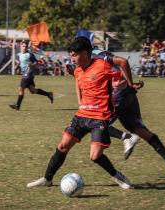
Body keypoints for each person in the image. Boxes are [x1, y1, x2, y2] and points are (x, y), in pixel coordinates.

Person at [27, 37, 132, 189]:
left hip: (99, 117)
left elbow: (118, 79)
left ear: (85, 53)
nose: (72, 58)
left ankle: (117, 175)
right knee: (62, 146)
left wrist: (120, 84)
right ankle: (47, 179)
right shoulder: (77, 70)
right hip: (81, 115)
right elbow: (81, 78)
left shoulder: (102, 65)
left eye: (74, 55)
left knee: (95, 156)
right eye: (70, 55)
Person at [93, 49, 165, 179]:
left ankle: (127, 138)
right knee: (139, 129)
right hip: (127, 94)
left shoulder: (97, 55)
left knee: (97, 123)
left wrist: (127, 83)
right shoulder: (95, 57)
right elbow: (112, 74)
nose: (73, 58)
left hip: (119, 95)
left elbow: (121, 63)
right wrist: (128, 83)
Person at [9, 40, 53, 110]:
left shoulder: (30, 54)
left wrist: (32, 64)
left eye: (26, 46)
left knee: (20, 88)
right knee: (33, 91)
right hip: (25, 74)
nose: (24, 48)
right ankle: (49, 94)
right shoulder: (20, 55)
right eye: (23, 46)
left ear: (27, 47)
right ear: (21, 46)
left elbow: (36, 62)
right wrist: (17, 66)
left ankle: (17, 105)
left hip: (29, 74)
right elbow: (20, 62)